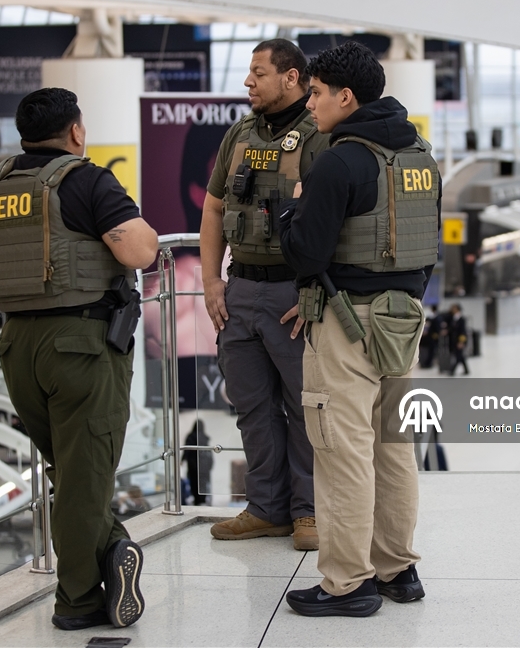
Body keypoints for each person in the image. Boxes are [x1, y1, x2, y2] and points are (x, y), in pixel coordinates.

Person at [0, 88, 158, 631]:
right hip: (80, 348)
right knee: (85, 475)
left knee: (72, 474)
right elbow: (138, 249)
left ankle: (108, 555)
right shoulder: (86, 179)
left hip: (16, 349)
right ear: (76, 132)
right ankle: (78, 597)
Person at [278, 41, 440, 617]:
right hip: (404, 320)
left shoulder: (339, 162)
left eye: (317, 94)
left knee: (341, 451)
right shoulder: (421, 154)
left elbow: (305, 252)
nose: (311, 104)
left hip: (346, 322)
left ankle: (348, 582)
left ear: (346, 97)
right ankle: (399, 570)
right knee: (395, 447)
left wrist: (291, 212)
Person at [200, 39, 329, 551]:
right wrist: (212, 280)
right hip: (241, 290)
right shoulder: (238, 134)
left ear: (292, 77)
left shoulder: (320, 135)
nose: (248, 82)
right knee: (250, 406)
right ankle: (265, 509)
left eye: (258, 73)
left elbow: (333, 223)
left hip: (292, 293)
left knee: (304, 408)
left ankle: (309, 512)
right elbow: (213, 210)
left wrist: (314, 289)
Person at [182, 420, 213, 506]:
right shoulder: (204, 437)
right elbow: (209, 453)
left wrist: (182, 460)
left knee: (194, 483)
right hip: (203, 467)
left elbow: (186, 450)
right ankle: (202, 499)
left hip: (193, 466)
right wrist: (210, 465)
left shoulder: (190, 437)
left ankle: (197, 500)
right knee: (202, 483)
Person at [448, 304, 468, 376]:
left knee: (458, 356)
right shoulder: (453, 318)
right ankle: (466, 370)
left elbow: (463, 331)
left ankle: (452, 370)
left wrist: (461, 342)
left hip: (459, 340)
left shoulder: (461, 319)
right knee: (460, 356)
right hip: (454, 340)